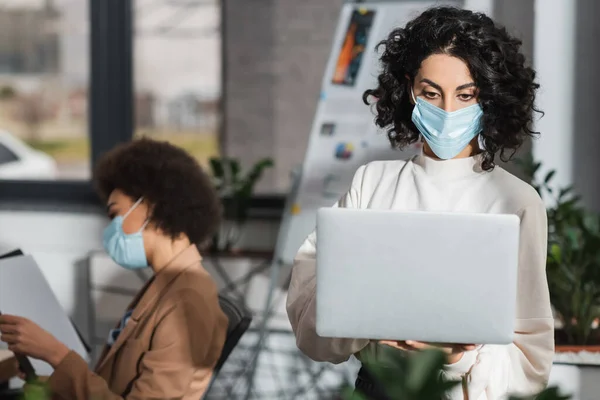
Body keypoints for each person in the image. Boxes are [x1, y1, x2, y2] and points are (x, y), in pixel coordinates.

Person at [286, 6, 553, 400]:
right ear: (410, 90)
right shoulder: (371, 184)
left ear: (491, 98)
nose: (448, 112)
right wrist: (366, 323)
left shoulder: (517, 202)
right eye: (432, 93)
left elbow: (531, 364)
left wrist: (455, 359)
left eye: (466, 95)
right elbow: (311, 329)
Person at [0, 138, 228, 399]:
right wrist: (55, 381)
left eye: (114, 214)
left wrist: (56, 353)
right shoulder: (166, 284)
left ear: (151, 205)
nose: (110, 229)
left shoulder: (188, 298)